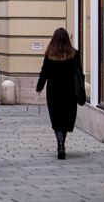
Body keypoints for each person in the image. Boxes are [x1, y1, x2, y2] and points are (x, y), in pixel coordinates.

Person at [36, 27, 82, 160]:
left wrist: (39, 86)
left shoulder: (49, 54)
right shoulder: (75, 54)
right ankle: (62, 142)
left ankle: (60, 143)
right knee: (66, 119)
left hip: (54, 91)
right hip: (69, 91)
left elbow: (44, 72)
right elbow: (79, 73)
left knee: (56, 118)